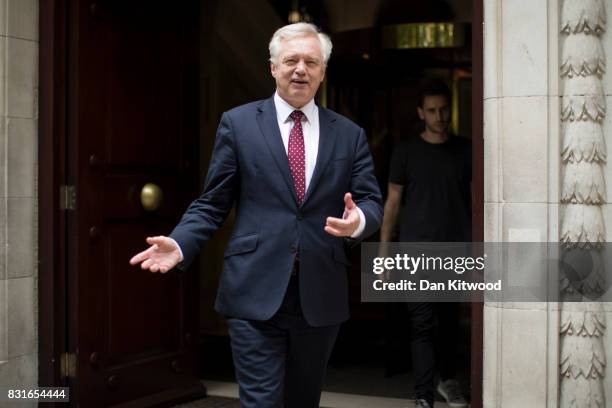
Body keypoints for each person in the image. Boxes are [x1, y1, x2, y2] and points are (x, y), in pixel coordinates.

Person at [130, 22, 382, 408]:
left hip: (320, 293)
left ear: (323, 71)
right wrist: (180, 243)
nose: (301, 69)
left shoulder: (349, 134)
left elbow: (371, 201)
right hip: (254, 289)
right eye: (291, 60)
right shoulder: (239, 124)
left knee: (303, 400)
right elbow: (213, 202)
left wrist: (357, 222)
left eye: (310, 61)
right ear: (273, 68)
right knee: (261, 402)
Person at [380, 79, 470, 408]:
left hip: (456, 249)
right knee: (421, 324)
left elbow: (481, 201)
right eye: (432, 110)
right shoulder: (406, 152)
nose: (439, 116)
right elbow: (392, 203)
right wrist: (384, 252)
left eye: (444, 109)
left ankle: (447, 381)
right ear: (421, 113)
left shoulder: (466, 150)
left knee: (448, 324)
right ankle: (423, 396)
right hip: (415, 251)